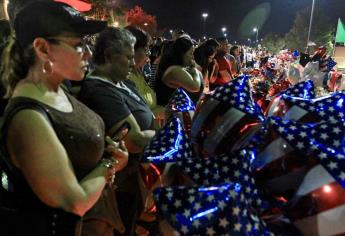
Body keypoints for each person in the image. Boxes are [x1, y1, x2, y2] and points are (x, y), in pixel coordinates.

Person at [0, 2, 128, 235]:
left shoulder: (57, 89)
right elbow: (73, 202)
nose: (89, 53)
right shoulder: (28, 118)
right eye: (79, 44)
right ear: (43, 48)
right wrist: (109, 165)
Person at [78, 27, 156, 235]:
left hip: (133, 182)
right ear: (109, 55)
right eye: (128, 57)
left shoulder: (123, 82)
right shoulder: (100, 89)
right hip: (119, 187)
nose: (133, 63)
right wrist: (166, 135)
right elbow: (134, 140)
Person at [125, 26, 166, 128]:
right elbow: (136, 118)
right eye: (145, 49)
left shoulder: (138, 73)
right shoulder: (125, 78)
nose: (149, 54)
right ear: (132, 50)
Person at [154, 36, 203, 106]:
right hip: (169, 112)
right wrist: (194, 69)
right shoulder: (174, 70)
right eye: (191, 53)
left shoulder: (175, 67)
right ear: (181, 53)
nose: (193, 57)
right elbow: (195, 87)